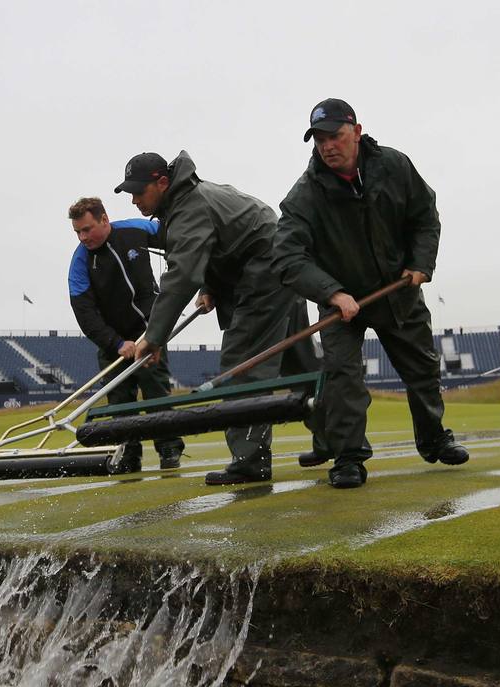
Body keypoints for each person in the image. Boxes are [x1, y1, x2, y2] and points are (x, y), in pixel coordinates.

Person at [273, 98, 468, 489]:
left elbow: (425, 216)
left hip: (398, 289)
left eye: (336, 136)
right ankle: (348, 458)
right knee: (342, 379)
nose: (328, 146)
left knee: (422, 370)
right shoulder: (304, 195)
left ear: (356, 132)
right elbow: (287, 257)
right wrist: (332, 293)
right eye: (320, 139)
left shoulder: (394, 166)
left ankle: (433, 439)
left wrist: (421, 264)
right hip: (340, 302)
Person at [121, 151, 327, 485]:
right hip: (281, 269)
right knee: (298, 364)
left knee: (241, 366)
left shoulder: (189, 206)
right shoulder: (189, 200)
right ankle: (338, 438)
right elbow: (217, 248)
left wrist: (153, 336)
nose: (133, 200)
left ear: (162, 183)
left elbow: (182, 274)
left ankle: (250, 461)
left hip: (266, 274)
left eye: (138, 191)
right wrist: (210, 286)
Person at [67, 196, 184, 471]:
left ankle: (169, 449)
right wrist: (116, 343)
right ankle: (129, 455)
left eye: (87, 229)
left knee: (157, 392)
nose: (83, 237)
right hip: (113, 341)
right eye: (77, 232)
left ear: (104, 220)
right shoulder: (80, 263)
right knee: (120, 404)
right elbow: (85, 314)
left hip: (149, 331)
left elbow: (177, 236)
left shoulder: (135, 230)